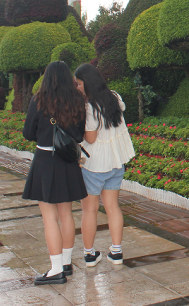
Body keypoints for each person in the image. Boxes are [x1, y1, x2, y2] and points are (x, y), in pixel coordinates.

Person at [21, 61, 87, 285]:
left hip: (45, 160)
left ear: (47, 77)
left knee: (50, 218)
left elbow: (28, 132)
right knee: (66, 214)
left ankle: (56, 270)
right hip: (67, 161)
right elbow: (79, 135)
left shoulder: (39, 100)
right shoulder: (77, 100)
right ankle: (66, 264)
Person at [73, 63, 135, 267]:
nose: (77, 87)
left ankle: (89, 254)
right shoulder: (114, 97)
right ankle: (116, 251)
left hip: (95, 164)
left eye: (78, 84)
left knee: (89, 210)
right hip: (116, 162)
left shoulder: (89, 107)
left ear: (87, 83)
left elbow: (90, 139)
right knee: (112, 207)